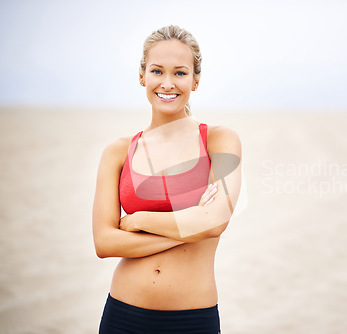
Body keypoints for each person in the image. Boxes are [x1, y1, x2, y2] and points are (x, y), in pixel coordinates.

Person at [92, 25, 242, 334]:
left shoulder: (220, 140)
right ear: (142, 76)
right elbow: (104, 242)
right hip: (123, 315)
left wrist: (138, 220)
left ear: (195, 80)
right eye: (157, 71)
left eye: (180, 73)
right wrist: (188, 229)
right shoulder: (118, 152)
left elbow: (214, 222)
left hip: (192, 319)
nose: (168, 83)